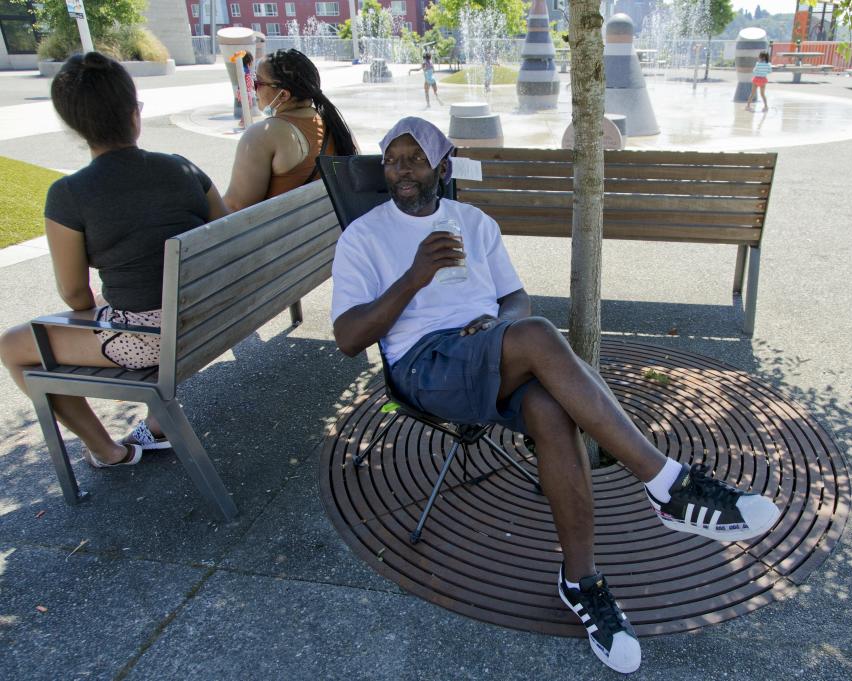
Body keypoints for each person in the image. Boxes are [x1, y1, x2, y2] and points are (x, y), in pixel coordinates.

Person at [331, 117, 782, 675]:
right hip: (424, 368)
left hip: (486, 351)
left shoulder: (473, 222)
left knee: (549, 407)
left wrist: (495, 327)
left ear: (440, 168)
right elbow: (349, 339)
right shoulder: (365, 236)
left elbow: (515, 297)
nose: (400, 168)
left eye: (414, 158)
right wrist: (415, 277)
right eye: (392, 159)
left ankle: (581, 581)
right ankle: (667, 484)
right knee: (540, 334)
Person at [0, 52, 227, 468]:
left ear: (73, 126)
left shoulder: (69, 194)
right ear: (133, 114)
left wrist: (105, 314)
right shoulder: (183, 168)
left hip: (150, 342)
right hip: (212, 316)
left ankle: (108, 452)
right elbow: (228, 237)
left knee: (13, 347)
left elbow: (73, 293)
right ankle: (157, 424)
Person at [223, 48, 359, 212]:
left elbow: (235, 206)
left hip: (281, 236)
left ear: (283, 95)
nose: (253, 88)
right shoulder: (337, 126)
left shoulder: (264, 135)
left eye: (257, 82)